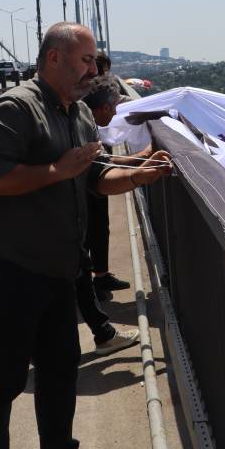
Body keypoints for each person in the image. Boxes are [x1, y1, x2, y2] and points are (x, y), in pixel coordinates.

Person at [0, 22, 171, 449]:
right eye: (84, 60)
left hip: (55, 268)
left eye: (93, 60)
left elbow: (94, 175)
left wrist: (140, 174)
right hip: (6, 266)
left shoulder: (76, 112)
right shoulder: (14, 109)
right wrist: (57, 170)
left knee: (59, 370)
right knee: (2, 378)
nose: (93, 70)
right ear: (53, 58)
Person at [76, 78, 168, 356]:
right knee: (75, 270)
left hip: (63, 221)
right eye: (116, 106)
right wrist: (139, 174)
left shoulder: (79, 118)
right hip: (58, 221)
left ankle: (103, 333)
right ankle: (102, 334)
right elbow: (99, 174)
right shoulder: (80, 123)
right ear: (104, 108)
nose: (119, 112)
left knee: (79, 270)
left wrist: (141, 159)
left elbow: (102, 162)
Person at [85, 51, 132, 298]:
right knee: (88, 226)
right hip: (90, 168)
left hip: (99, 158)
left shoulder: (101, 91)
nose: (97, 74)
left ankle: (98, 276)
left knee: (99, 224)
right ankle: (86, 283)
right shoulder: (82, 102)